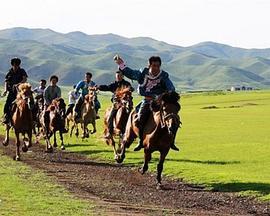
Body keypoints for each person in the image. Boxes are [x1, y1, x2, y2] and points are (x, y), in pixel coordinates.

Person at [115, 55, 179, 152]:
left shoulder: (164, 76)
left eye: (158, 66)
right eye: (154, 66)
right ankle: (141, 141)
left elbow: (171, 88)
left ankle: (172, 141)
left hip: (160, 102)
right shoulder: (142, 73)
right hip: (147, 101)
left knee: (173, 118)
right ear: (149, 66)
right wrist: (121, 64)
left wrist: (163, 96)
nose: (156, 68)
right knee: (139, 119)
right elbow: (131, 73)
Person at [97, 70, 133, 138]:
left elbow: (130, 89)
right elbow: (107, 87)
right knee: (111, 115)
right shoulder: (114, 84)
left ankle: (133, 131)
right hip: (117, 102)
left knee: (133, 114)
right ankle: (110, 133)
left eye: (119, 76)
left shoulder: (126, 83)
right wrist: (99, 87)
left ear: (122, 76)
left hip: (125, 102)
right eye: (117, 76)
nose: (118, 77)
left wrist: (129, 89)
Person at [2, 57, 28, 124]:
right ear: (12, 65)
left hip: (20, 92)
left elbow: (25, 79)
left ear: (19, 65)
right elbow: (6, 81)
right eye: (14, 64)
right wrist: (5, 90)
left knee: (27, 104)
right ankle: (6, 117)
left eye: (17, 64)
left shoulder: (22, 71)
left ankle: (31, 119)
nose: (15, 66)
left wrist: (19, 84)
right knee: (7, 105)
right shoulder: (10, 72)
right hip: (11, 92)